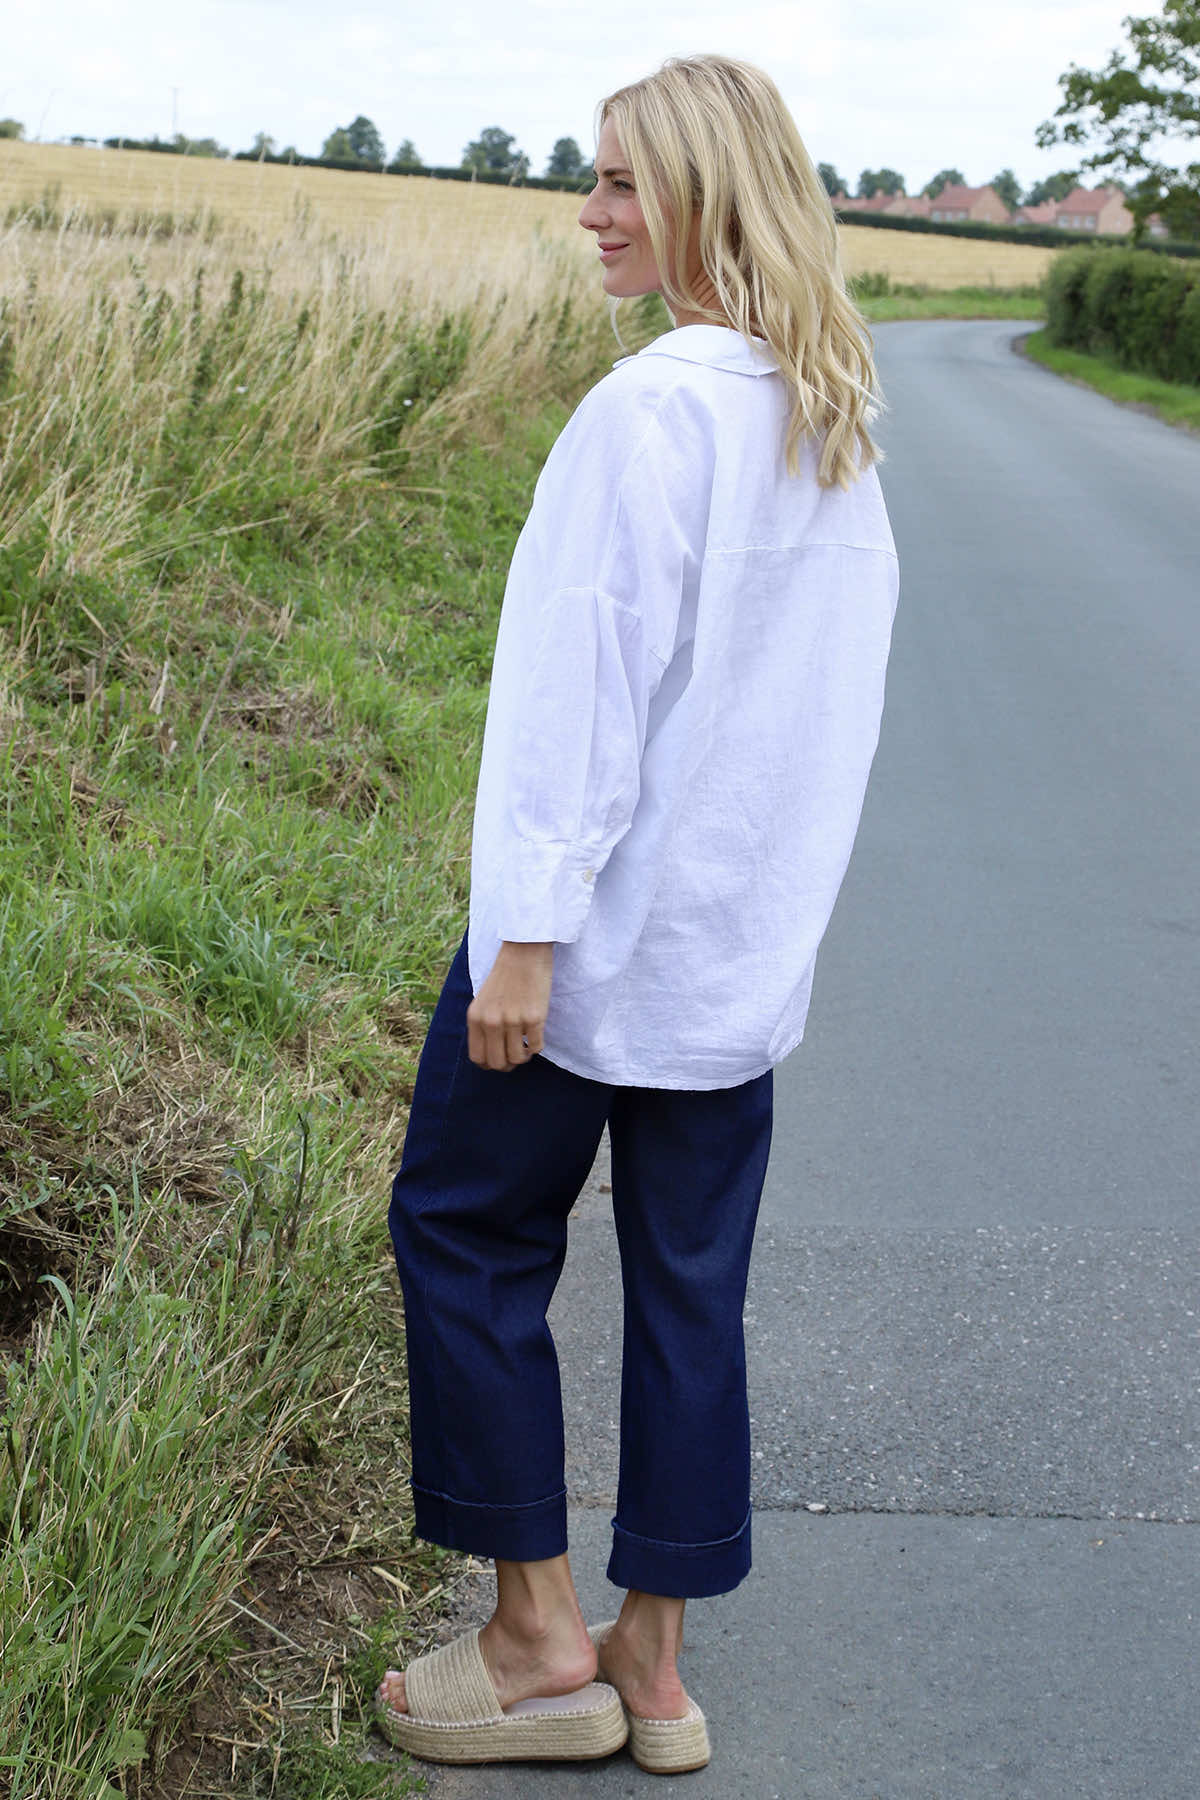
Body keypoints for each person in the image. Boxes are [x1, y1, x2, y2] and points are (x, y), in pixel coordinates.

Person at [376, 52, 898, 1772]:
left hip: (589, 950)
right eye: (587, 180)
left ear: (704, 193)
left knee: (463, 1229)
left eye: (621, 181)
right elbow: (815, 733)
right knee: (690, 1293)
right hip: (733, 967)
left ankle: (536, 1638)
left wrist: (523, 928)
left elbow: (572, 693)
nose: (589, 214)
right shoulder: (831, 416)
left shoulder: (651, 410)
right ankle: (652, 1673)